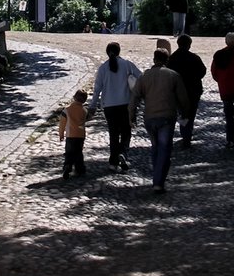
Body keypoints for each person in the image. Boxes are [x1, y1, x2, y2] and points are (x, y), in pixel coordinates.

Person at [129, 47, 189, 194]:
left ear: (154, 59)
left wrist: (132, 116)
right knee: (164, 149)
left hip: (150, 117)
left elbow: (134, 97)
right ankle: (158, 181)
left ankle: (157, 175)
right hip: (167, 117)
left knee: (155, 147)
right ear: (166, 60)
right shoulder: (173, 75)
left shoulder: (144, 76)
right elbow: (183, 99)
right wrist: (185, 114)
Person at [88, 42, 142, 172]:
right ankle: (123, 153)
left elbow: (97, 89)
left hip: (109, 106)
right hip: (125, 104)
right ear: (119, 51)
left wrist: (92, 106)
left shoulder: (103, 68)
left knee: (113, 134)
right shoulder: (127, 64)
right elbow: (141, 77)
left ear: (107, 52)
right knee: (126, 132)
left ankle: (113, 162)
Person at [167, 34, 206, 148]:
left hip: (177, 92)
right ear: (189, 45)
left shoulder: (172, 58)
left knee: (182, 113)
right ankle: (187, 135)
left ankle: (185, 133)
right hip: (193, 90)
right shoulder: (194, 57)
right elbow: (202, 71)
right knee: (191, 114)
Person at [58, 89, 90, 179]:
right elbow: (87, 118)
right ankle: (80, 169)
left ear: (74, 98)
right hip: (80, 135)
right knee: (78, 152)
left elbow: (62, 124)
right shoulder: (84, 111)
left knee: (69, 152)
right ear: (84, 100)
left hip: (70, 135)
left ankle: (67, 166)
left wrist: (61, 134)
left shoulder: (67, 110)